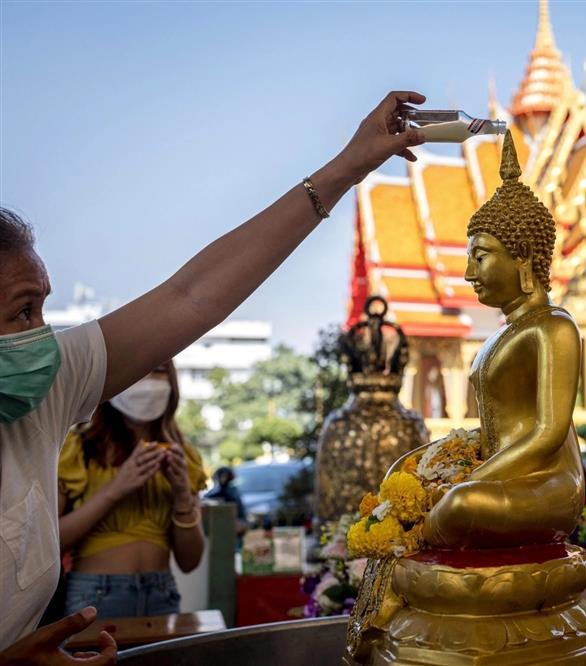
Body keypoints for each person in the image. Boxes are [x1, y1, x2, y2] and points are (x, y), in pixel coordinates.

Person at [0, 90, 425, 665]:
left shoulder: (43, 393)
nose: (42, 337)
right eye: (23, 312)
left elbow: (192, 296)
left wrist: (347, 168)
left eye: (44, 309)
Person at [57, 360, 207, 618]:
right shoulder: (80, 447)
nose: (146, 380)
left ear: (172, 382)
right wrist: (115, 489)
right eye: (137, 369)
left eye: (158, 370)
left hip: (162, 594)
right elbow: (50, 542)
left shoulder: (184, 455)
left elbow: (190, 562)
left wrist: (183, 497)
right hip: (95, 594)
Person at [204, 466, 247, 535]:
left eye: (224, 476)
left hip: (236, 523)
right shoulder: (232, 490)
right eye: (221, 476)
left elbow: (209, 496)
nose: (223, 479)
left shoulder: (229, 491)